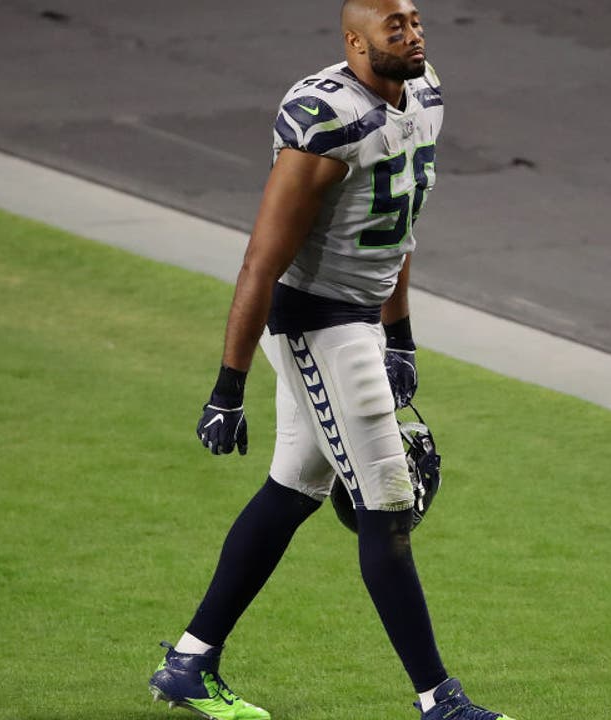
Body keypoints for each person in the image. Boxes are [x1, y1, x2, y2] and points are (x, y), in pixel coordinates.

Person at [147, 1, 515, 719]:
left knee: (293, 488)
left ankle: (190, 661)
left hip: (360, 320)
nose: (412, 34)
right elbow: (261, 259)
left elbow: (396, 227)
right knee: (387, 504)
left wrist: (400, 335)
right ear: (354, 42)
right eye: (394, 27)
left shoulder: (426, 93)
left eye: (414, 20)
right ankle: (441, 702)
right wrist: (228, 389)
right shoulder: (324, 121)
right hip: (316, 322)